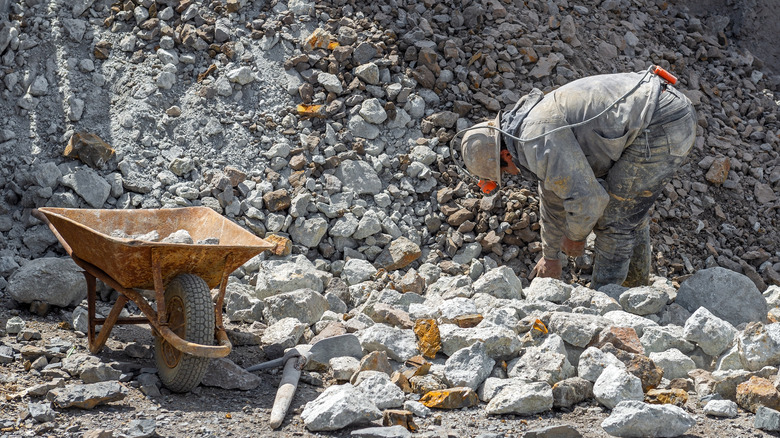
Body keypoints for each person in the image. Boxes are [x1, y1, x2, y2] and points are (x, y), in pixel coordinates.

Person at [458, 67, 697, 290]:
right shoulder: (525, 132)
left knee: (614, 220)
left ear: (503, 154)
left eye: (504, 171)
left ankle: (606, 304)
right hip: (659, 106)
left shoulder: (535, 139)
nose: (511, 175)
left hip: (661, 120)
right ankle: (634, 289)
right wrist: (550, 256)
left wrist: (575, 237)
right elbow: (552, 195)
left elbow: (588, 200)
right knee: (629, 210)